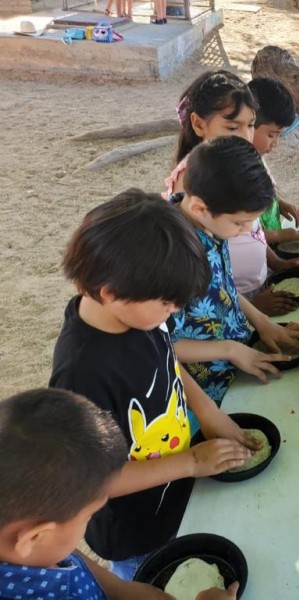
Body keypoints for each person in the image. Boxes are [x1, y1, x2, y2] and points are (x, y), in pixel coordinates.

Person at [49, 190, 259, 580]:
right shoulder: (82, 373)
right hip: (135, 531)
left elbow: (169, 360)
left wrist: (207, 412)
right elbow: (94, 480)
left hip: (176, 487)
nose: (174, 312)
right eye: (167, 304)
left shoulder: (139, 315)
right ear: (110, 292)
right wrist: (192, 462)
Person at [0, 388, 237, 600]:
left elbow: (67, 555)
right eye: (88, 517)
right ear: (34, 537)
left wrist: (121, 588)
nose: (88, 523)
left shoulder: (33, 545)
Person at [169, 135, 299, 408]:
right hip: (205, 391)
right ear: (199, 208)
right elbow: (158, 345)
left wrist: (261, 321)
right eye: (240, 223)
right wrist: (230, 350)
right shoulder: (169, 254)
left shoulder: (210, 223)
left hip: (237, 361)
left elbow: (222, 286)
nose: (248, 230)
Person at [167, 70, 299, 316]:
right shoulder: (190, 179)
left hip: (248, 293)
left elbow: (251, 231)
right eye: (233, 127)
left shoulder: (235, 163)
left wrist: (276, 263)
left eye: (251, 125)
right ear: (199, 124)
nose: (245, 136)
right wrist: (250, 309)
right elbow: (203, 271)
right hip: (224, 309)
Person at [227, 76, 299, 316]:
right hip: (238, 298)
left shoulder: (251, 164)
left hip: (258, 282)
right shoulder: (225, 180)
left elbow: (252, 232)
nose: (276, 143)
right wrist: (279, 235)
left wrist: (278, 264)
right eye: (272, 134)